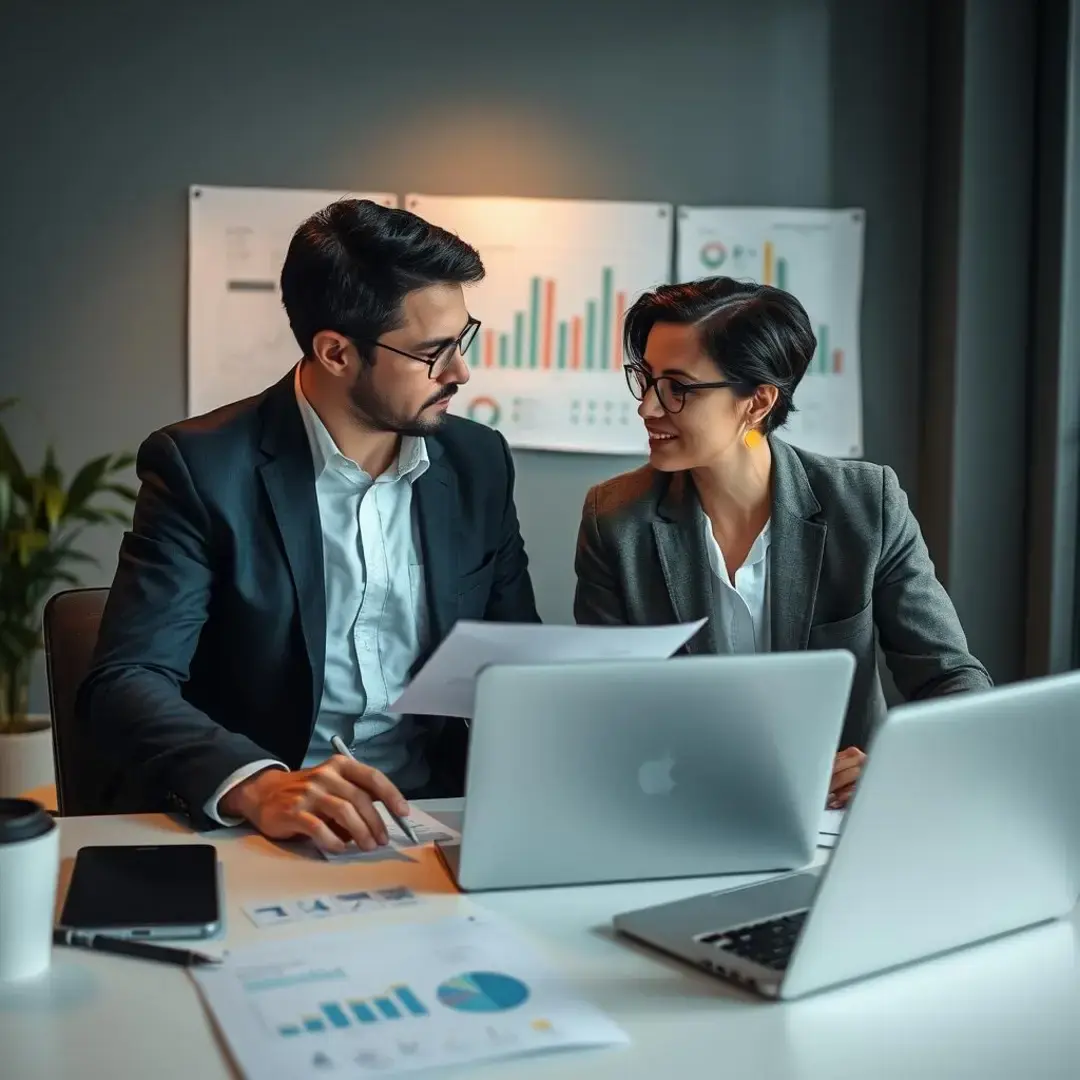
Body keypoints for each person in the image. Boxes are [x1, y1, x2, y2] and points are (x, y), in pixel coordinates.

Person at [78, 199, 539, 850]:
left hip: (441, 820)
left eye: (462, 340)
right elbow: (126, 681)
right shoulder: (202, 467)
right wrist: (258, 786)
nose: (461, 372)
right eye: (434, 352)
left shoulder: (477, 462)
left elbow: (516, 659)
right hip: (266, 825)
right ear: (336, 353)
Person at [573, 277, 991, 808]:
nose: (649, 409)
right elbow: (605, 706)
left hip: (838, 816)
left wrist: (896, 763)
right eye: (647, 379)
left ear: (757, 401)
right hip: (683, 806)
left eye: (677, 387)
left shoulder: (866, 505)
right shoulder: (615, 519)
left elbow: (952, 678)